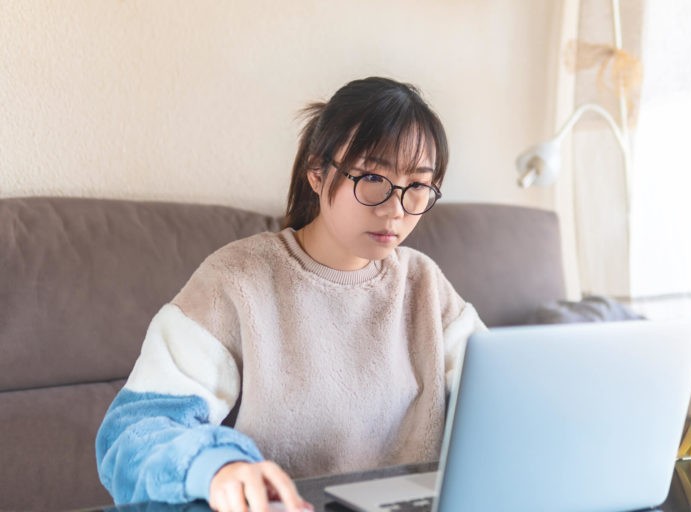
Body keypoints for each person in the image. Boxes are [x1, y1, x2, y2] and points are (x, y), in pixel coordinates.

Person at [95, 76, 486, 512]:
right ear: (318, 173)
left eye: (417, 185)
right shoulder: (237, 278)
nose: (395, 208)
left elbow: (503, 401)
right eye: (373, 176)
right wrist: (217, 467)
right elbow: (133, 434)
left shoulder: (425, 285)